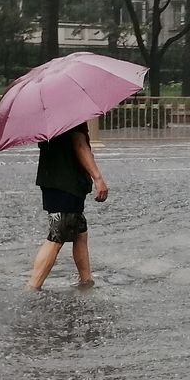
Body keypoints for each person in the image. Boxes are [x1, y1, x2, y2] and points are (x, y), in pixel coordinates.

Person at [27, 121, 109, 291]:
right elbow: (80, 145)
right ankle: (32, 287)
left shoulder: (49, 114)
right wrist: (98, 178)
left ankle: (86, 281)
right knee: (58, 235)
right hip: (66, 182)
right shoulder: (72, 115)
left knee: (79, 232)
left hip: (52, 178)